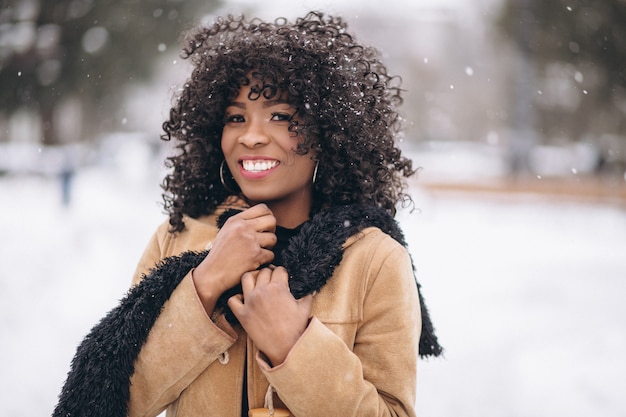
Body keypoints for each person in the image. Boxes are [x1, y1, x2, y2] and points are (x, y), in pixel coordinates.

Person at [53, 11, 442, 417]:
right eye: (235, 118)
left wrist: (294, 345)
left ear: (328, 133)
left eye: (281, 117)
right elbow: (118, 402)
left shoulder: (375, 261)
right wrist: (204, 284)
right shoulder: (176, 239)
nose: (251, 136)